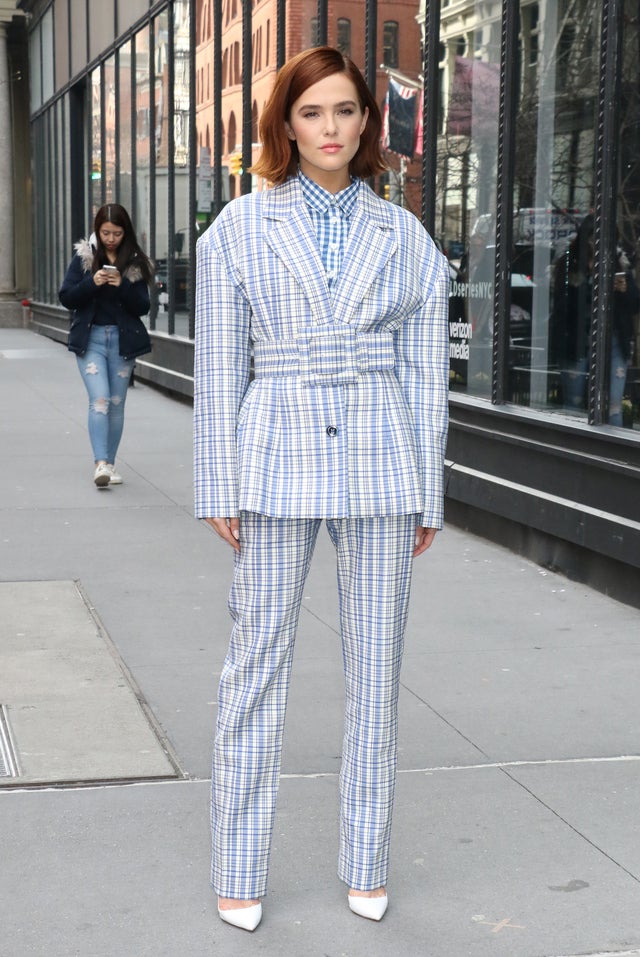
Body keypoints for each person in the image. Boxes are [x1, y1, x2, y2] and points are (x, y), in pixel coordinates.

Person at [194, 47, 449, 932]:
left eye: (345, 111)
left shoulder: (405, 236)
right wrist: (217, 480)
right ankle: (238, 863)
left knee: (377, 673)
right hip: (272, 459)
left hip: (382, 459)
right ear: (285, 125)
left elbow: (424, 374)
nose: (331, 129)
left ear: (367, 123)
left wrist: (430, 491)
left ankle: (365, 858)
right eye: (312, 113)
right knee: (254, 666)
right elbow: (222, 366)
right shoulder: (237, 230)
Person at [59, 203, 153, 486]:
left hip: (123, 343)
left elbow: (143, 306)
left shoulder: (135, 262)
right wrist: (93, 282)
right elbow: (67, 297)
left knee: (116, 403)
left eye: (117, 233)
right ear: (97, 231)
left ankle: (109, 465)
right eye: (105, 233)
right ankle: (100, 463)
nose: (111, 239)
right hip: (92, 341)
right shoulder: (85, 258)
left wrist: (121, 283)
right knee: (99, 400)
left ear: (126, 233)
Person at [551, 215, 639, 424]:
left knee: (613, 405)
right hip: (578, 340)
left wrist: (625, 290)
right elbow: (561, 305)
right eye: (593, 239)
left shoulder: (619, 262)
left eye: (609, 238)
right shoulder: (569, 263)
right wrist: (583, 282)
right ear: (585, 238)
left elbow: (635, 304)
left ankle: (613, 453)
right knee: (574, 402)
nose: (599, 244)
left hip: (614, 342)